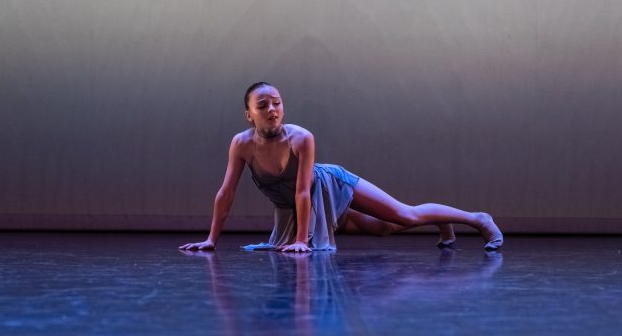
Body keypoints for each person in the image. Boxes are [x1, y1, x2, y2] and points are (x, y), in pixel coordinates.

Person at [178, 82, 504, 253]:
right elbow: (226, 193)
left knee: (404, 215)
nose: (272, 109)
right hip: (299, 209)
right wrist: (211, 239)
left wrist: (302, 240)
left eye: (277, 103)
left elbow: (303, 191)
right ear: (249, 114)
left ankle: (477, 219)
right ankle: (440, 220)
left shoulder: (301, 138)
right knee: (382, 228)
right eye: (263, 105)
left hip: (328, 185)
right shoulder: (241, 144)